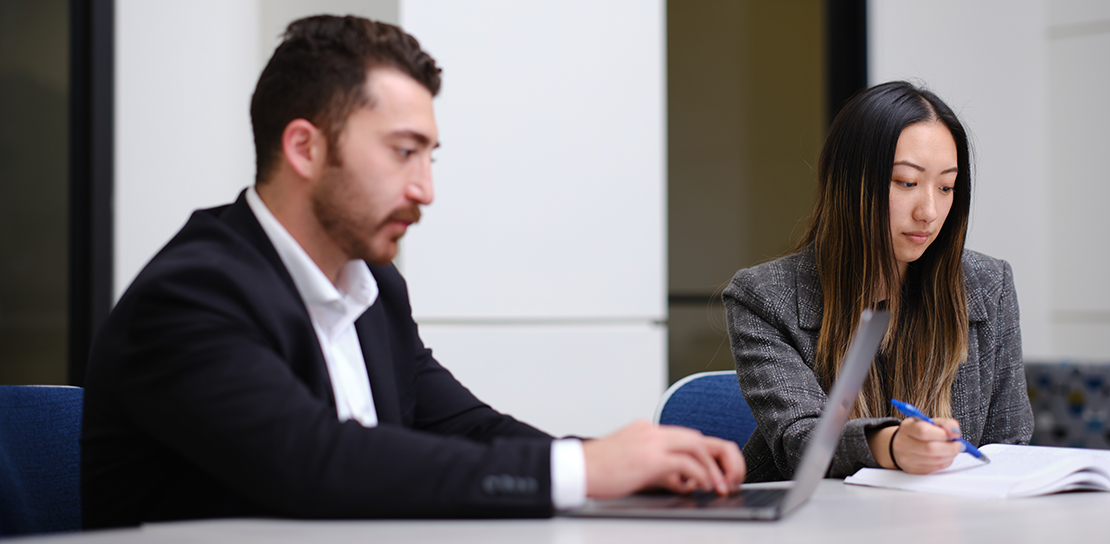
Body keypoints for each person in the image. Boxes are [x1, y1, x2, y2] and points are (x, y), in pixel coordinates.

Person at [81, 15, 743, 528]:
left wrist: (631, 467)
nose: (425, 189)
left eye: (431, 157)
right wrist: (578, 471)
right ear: (305, 147)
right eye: (403, 153)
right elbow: (316, 464)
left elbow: (469, 429)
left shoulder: (372, 287)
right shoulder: (193, 294)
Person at [722, 81, 1033, 482]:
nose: (929, 211)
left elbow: (1009, 447)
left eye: (946, 187)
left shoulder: (989, 285)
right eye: (906, 182)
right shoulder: (764, 297)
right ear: (851, 182)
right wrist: (889, 444)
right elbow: (802, 444)